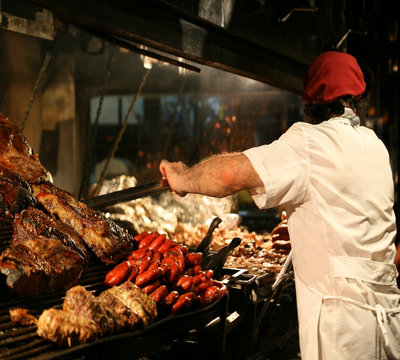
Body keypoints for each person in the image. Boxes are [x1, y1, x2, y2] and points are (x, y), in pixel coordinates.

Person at [159, 51, 400, 359]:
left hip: (344, 329)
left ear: (311, 105)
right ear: (357, 100)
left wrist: (183, 177)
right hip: (388, 324)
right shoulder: (375, 146)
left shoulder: (311, 141)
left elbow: (231, 174)